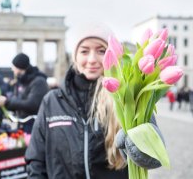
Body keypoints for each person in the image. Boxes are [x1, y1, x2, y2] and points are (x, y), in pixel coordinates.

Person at [25, 23, 163, 179]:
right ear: (75, 56)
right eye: (84, 51)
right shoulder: (52, 101)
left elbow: (154, 157)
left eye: (102, 51)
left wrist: (141, 150)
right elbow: (36, 159)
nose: (92, 59)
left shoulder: (131, 98)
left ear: (114, 54)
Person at [0, 53, 49, 133]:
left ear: (20, 67)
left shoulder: (39, 82)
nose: (12, 69)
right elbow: (17, 99)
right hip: (22, 124)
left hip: (34, 126)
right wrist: (4, 103)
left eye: (14, 66)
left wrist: (6, 102)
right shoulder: (21, 81)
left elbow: (32, 104)